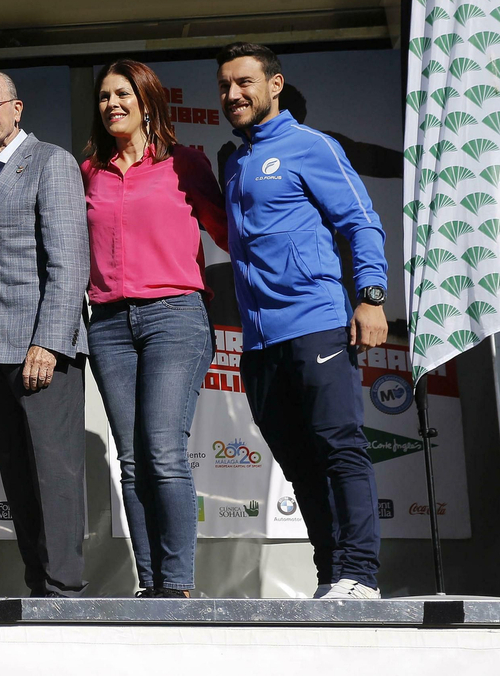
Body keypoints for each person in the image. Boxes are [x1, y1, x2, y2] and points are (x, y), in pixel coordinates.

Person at [216, 42, 387, 600]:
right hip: (259, 340)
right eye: (224, 86)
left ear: (275, 84)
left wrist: (371, 295)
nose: (233, 94)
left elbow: (361, 222)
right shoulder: (236, 160)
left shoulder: (312, 146)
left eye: (244, 83)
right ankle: (331, 574)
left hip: (315, 323)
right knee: (299, 463)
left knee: (339, 447)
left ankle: (360, 574)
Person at [81, 61, 228, 598]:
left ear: (148, 101)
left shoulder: (186, 163)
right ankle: (152, 587)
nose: (112, 104)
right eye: (104, 96)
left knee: (162, 449)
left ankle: (179, 584)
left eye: (123, 94)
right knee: (132, 458)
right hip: (110, 324)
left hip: (175, 315)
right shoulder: (90, 170)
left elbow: (231, 234)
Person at [0, 69, 90, 598]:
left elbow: (68, 260)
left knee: (54, 476)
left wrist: (50, 341)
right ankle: (39, 586)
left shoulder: (51, 162)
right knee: (17, 474)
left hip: (41, 350)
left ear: (17, 109)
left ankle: (65, 595)